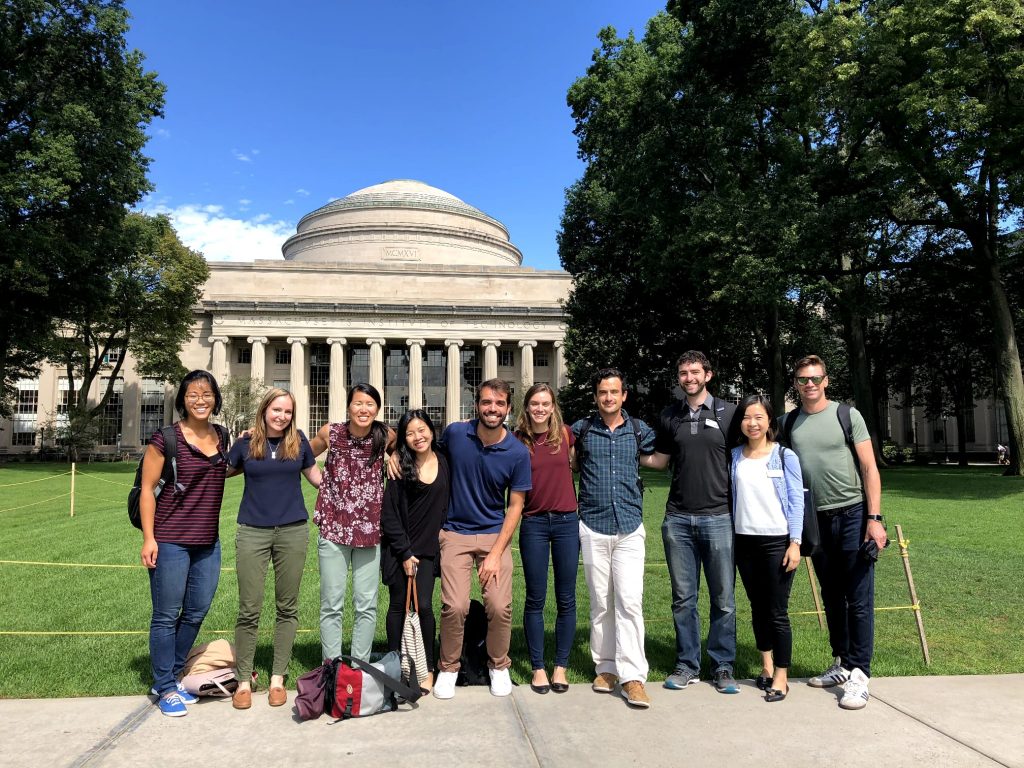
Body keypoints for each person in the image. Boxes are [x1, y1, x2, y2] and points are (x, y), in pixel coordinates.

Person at [784, 355, 886, 710]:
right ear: (795, 385)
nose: (809, 385)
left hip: (854, 514)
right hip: (815, 520)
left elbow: (870, 468)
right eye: (802, 380)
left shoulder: (847, 415)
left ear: (826, 381)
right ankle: (842, 662)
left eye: (814, 379)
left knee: (858, 598)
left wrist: (875, 518)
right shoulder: (789, 423)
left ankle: (861, 674)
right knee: (830, 596)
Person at [430, 378, 531, 700]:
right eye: (487, 402)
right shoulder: (457, 434)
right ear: (477, 405)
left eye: (499, 404)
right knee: (455, 606)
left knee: (500, 606)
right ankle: (448, 668)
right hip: (455, 533)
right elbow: (427, 457)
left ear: (508, 409)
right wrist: (392, 454)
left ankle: (498, 665)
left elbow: (516, 506)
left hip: (493, 535)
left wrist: (495, 553)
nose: (492, 409)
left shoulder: (516, 451)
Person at [646, 351, 741, 694]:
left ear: (708, 375)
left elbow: (745, 459)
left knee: (724, 599)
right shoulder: (670, 415)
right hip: (678, 520)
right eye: (683, 372)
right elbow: (660, 460)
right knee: (683, 598)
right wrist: (623, 448)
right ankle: (687, 664)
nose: (689, 377)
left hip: (719, 517)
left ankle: (723, 665)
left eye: (694, 372)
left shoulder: (730, 413)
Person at [139, 370, 230, 718]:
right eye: (193, 394)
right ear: (183, 400)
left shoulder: (222, 435)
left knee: (196, 611)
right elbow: (147, 489)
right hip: (171, 539)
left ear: (215, 399)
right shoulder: (166, 439)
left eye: (206, 393)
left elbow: (223, 468)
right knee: (165, 615)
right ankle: (164, 686)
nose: (200, 399)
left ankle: (170, 675)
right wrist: (149, 538)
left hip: (208, 541)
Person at [225, 388, 322, 710]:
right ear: (265, 409)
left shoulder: (299, 442)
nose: (282, 416)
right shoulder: (245, 443)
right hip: (252, 531)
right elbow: (218, 471)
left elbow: (318, 479)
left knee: (287, 607)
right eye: (277, 410)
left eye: (288, 412)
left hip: (292, 531)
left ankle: (278, 678)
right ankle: (243, 681)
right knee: (249, 608)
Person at [572, 368, 657, 709]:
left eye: (614, 392)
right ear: (596, 396)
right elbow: (568, 459)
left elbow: (661, 454)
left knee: (630, 600)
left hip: (629, 527)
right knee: (600, 602)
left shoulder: (639, 430)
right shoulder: (582, 430)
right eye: (603, 392)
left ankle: (633, 675)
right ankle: (605, 667)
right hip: (592, 524)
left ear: (624, 396)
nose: (608, 397)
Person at [309, 383, 395, 662]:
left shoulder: (385, 435)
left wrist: (392, 457)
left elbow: (407, 449)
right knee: (332, 604)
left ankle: (359, 666)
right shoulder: (330, 433)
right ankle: (331, 665)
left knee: (366, 604)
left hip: (370, 530)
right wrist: (323, 486)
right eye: (358, 403)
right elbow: (303, 457)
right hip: (334, 528)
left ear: (377, 409)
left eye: (370, 404)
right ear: (349, 406)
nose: (364, 409)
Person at [730, 394, 803, 703]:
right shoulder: (733, 456)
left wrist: (795, 543)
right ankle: (767, 666)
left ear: (770, 422)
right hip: (744, 543)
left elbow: (798, 500)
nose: (753, 423)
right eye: (747, 417)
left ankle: (782, 676)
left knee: (776, 612)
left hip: (777, 542)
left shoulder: (784, 456)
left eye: (759, 417)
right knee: (757, 609)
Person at [513, 383, 579, 695]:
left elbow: (579, 464)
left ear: (553, 407)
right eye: (535, 403)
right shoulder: (517, 441)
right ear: (526, 407)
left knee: (566, 598)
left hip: (567, 521)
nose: (540, 408)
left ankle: (561, 666)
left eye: (546, 403)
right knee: (535, 598)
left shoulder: (566, 434)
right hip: (534, 523)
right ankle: (538, 667)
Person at [380, 409, 450, 694]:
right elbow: (388, 515)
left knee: (423, 606)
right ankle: (396, 666)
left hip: (430, 549)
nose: (417, 437)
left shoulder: (446, 459)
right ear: (403, 440)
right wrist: (405, 552)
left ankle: (428, 667)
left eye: (422, 430)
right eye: (410, 433)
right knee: (398, 606)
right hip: (402, 549)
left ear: (432, 431)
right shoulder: (400, 468)